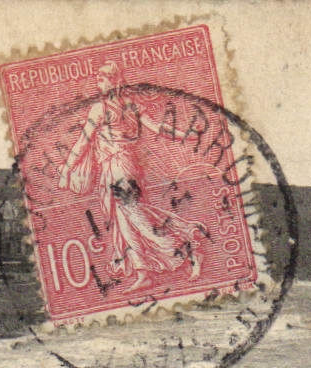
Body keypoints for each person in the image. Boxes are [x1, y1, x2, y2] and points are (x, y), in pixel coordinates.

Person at [55, 60, 205, 291]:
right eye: (98, 78)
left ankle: (188, 246)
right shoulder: (128, 106)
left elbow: (83, 142)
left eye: (103, 78)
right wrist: (183, 135)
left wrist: (66, 170)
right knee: (124, 219)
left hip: (119, 167)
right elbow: (157, 128)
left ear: (115, 81)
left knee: (135, 215)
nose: (99, 82)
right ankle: (143, 271)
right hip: (118, 167)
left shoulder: (103, 108)